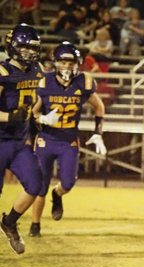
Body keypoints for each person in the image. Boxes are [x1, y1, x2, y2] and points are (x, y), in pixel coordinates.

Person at [28, 41, 106, 237]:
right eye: (63, 62)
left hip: (68, 141)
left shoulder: (83, 82)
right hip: (46, 139)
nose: (66, 67)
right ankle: (35, 225)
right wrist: (42, 118)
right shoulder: (45, 82)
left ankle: (57, 194)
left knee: (68, 183)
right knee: (40, 186)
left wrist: (98, 132)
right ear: (55, 62)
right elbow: (32, 113)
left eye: (71, 63)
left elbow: (99, 106)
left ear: (77, 64)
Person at [0, 24, 44, 255]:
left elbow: (41, 97)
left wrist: (37, 115)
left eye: (33, 47)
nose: (29, 52)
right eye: (24, 47)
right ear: (12, 46)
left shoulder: (38, 70)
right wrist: (10, 116)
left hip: (18, 143)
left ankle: (9, 222)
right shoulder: (3, 71)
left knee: (35, 184)